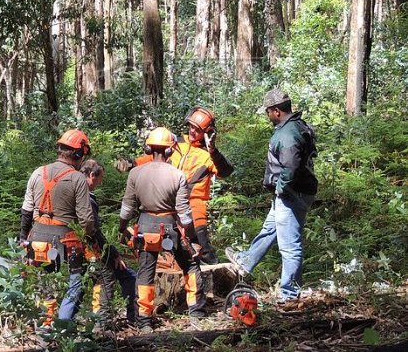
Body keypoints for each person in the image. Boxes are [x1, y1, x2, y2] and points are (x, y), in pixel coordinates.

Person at [225, 89, 318, 302]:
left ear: (276, 111)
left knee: (289, 245)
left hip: (292, 194)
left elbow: (291, 166)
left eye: (268, 112)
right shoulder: (295, 127)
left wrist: (281, 188)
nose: (267, 116)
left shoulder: (287, 134)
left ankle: (290, 294)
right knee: (269, 230)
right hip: (290, 194)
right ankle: (246, 261)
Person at [117, 107, 234, 264]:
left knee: (202, 248)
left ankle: (211, 280)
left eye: (197, 130)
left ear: (207, 132)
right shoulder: (176, 143)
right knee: (163, 245)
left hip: (194, 208)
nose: (192, 131)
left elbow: (225, 172)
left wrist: (213, 150)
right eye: (191, 126)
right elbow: (153, 157)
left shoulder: (209, 155)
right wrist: (132, 164)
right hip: (169, 205)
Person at [118, 127, 206, 333]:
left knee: (145, 273)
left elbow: (127, 207)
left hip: (145, 227)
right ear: (169, 151)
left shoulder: (135, 173)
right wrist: (193, 239)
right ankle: (197, 313)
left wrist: (122, 228)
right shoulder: (177, 175)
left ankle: (144, 320)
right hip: (170, 227)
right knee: (191, 265)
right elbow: (184, 214)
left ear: (149, 148)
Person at [20, 129, 95, 323]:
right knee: (77, 279)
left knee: (45, 280)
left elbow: (27, 209)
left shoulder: (38, 172)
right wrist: (88, 238)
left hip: (37, 236)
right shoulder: (78, 178)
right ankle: (64, 321)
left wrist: (23, 237)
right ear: (78, 154)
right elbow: (86, 219)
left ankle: (46, 322)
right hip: (66, 238)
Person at [80, 159, 137, 326]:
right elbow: (93, 230)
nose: (100, 182)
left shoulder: (77, 193)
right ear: (91, 175)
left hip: (86, 249)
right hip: (91, 251)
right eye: (100, 178)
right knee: (105, 279)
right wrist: (112, 253)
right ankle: (101, 323)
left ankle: (131, 318)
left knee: (127, 275)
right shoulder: (86, 199)